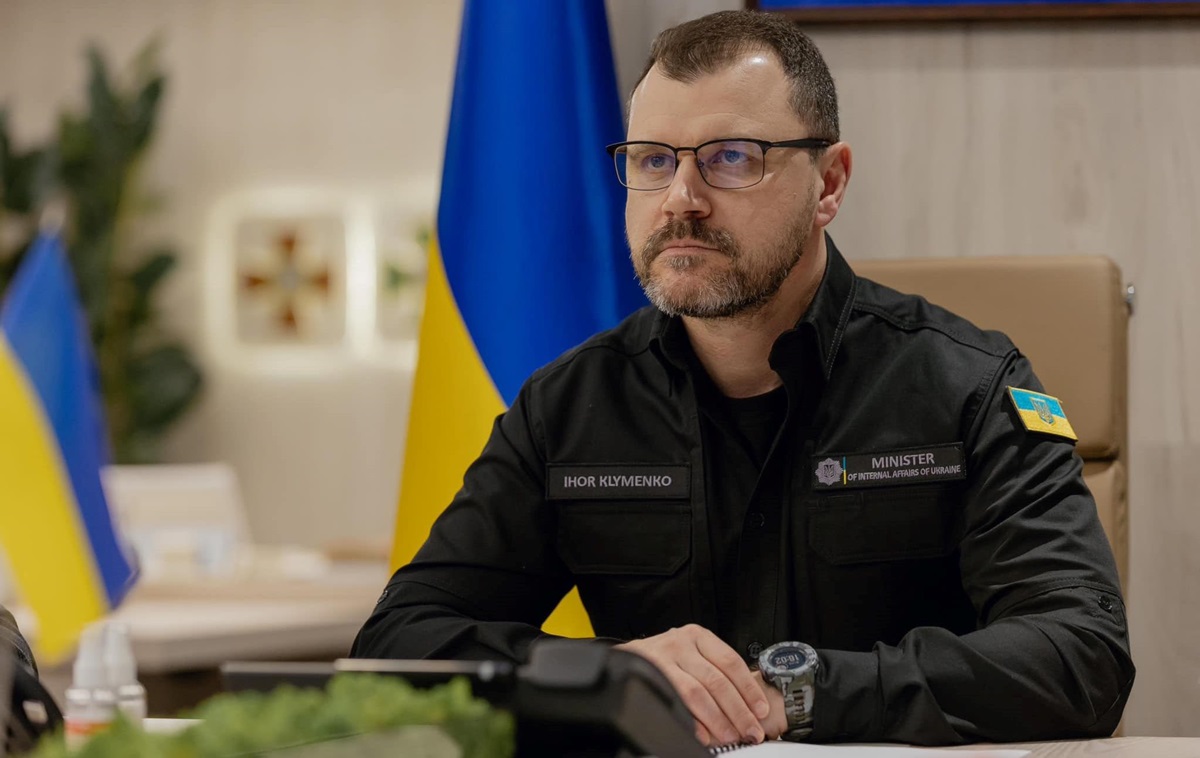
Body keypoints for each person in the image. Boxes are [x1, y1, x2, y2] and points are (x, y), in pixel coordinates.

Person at [352, 10, 1133, 747]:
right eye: (653, 160)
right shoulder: (570, 407)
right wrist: (610, 673)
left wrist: (800, 692)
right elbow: (398, 643)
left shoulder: (969, 386)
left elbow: (1083, 654)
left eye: (731, 158)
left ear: (829, 184)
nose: (681, 200)